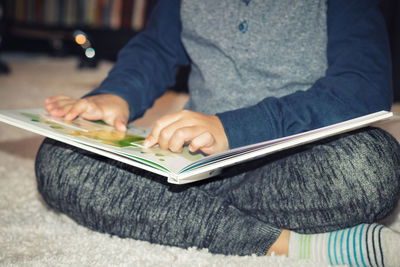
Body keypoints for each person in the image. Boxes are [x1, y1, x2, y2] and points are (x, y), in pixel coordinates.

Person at [35, 0, 400, 265]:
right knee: (61, 157)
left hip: (296, 161)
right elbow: (157, 48)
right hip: (194, 160)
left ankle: (176, 214)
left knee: (372, 166)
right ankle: (289, 245)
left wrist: (234, 128)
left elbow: (363, 86)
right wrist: (118, 94)